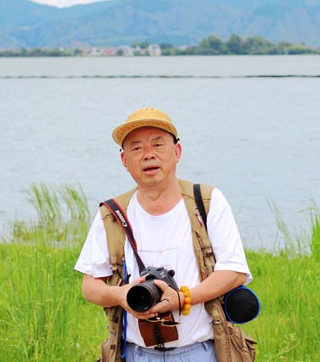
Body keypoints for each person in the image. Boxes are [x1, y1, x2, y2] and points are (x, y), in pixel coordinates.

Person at [75, 107, 252, 361]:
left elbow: (235, 270)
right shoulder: (112, 213)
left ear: (177, 152)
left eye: (158, 145)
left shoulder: (206, 201)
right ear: (124, 161)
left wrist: (182, 298)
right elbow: (89, 286)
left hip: (200, 352)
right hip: (135, 354)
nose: (148, 154)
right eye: (136, 148)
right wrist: (121, 295)